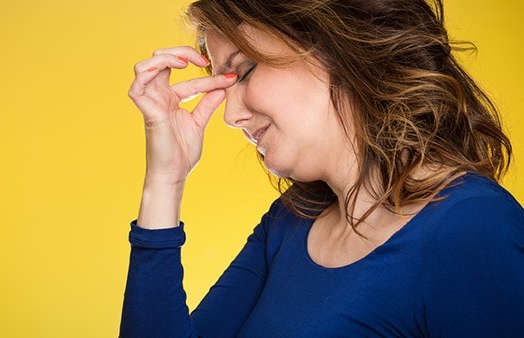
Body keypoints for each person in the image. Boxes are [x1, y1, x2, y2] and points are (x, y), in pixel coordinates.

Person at [120, 0, 524, 336]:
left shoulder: (474, 227)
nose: (231, 116)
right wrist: (165, 179)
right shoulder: (292, 221)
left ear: (335, 47)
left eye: (243, 71)